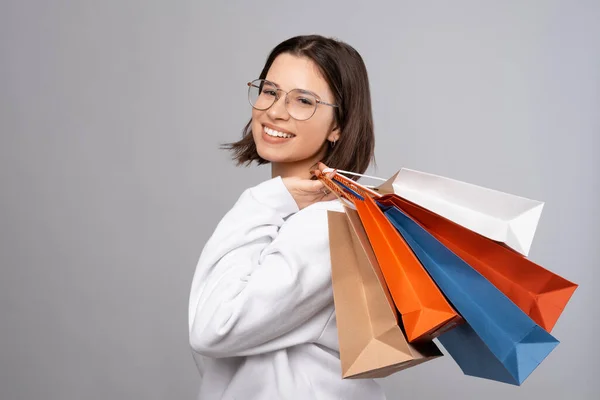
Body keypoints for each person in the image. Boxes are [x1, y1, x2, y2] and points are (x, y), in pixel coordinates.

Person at [188, 34, 383, 399]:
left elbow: (212, 329)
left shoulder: (323, 224)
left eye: (303, 101)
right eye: (270, 91)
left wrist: (262, 201)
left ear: (338, 125)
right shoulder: (285, 215)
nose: (276, 111)